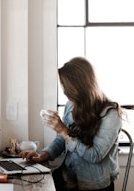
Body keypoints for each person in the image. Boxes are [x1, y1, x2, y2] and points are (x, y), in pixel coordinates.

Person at [20, 57, 123, 191]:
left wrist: (64, 131)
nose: (64, 91)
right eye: (63, 86)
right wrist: (42, 156)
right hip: (68, 177)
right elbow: (62, 140)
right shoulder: (71, 106)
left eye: (66, 86)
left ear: (81, 86)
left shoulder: (110, 114)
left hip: (93, 184)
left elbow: (95, 155)